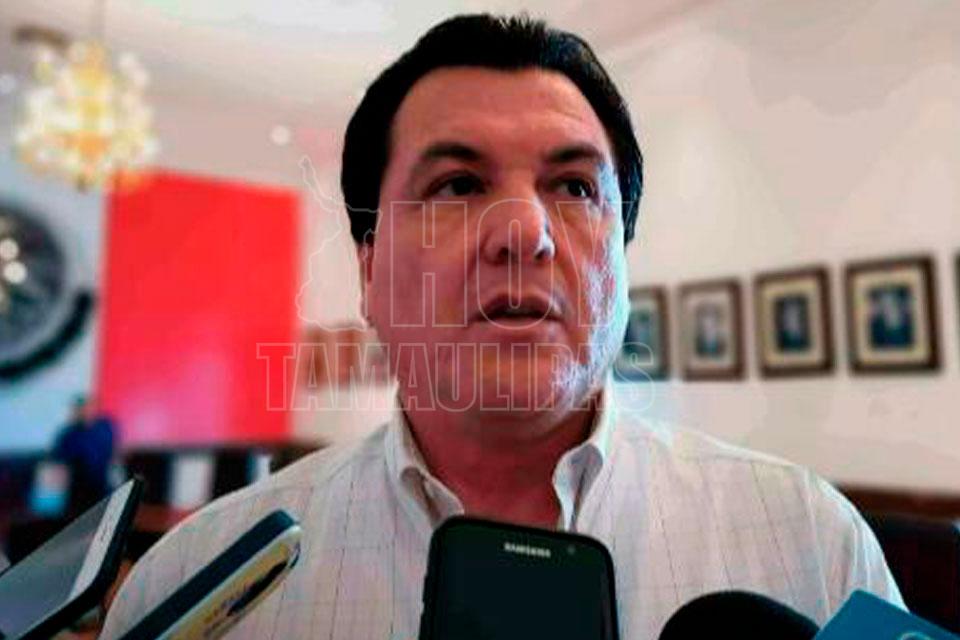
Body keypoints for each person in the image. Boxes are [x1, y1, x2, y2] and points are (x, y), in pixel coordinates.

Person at [101, 14, 902, 638]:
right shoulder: (192, 590)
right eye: (457, 184)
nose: (524, 230)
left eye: (575, 187)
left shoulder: (812, 546)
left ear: (622, 267)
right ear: (369, 270)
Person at [50, 395, 117, 516]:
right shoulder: (68, 435)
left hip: (102, 486)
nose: (86, 412)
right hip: (78, 490)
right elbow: (59, 461)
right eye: (81, 409)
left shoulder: (105, 427)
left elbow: (113, 451)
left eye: (89, 408)